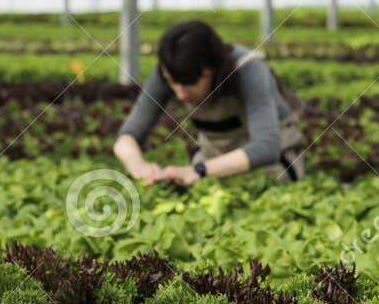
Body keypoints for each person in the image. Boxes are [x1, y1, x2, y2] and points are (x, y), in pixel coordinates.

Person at [114, 19, 307, 186]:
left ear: (212, 69)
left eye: (190, 83)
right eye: (172, 83)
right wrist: (139, 167)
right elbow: (127, 136)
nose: (180, 94)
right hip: (212, 162)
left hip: (272, 165)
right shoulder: (171, 71)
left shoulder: (249, 70)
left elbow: (267, 147)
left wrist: (197, 171)